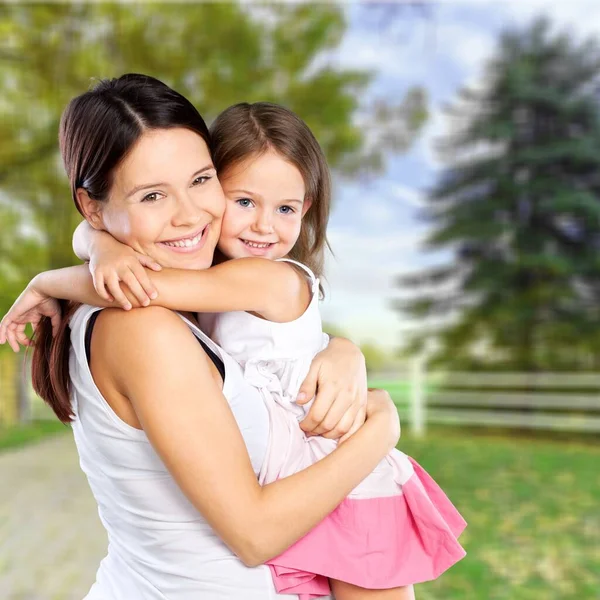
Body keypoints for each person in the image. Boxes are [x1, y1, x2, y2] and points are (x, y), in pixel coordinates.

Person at [2, 90, 466, 598]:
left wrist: (74, 263)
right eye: (152, 195)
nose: (188, 215)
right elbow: (254, 535)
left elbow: (150, 284)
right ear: (92, 206)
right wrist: (382, 428)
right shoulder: (141, 326)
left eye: (200, 181)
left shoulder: (213, 294)